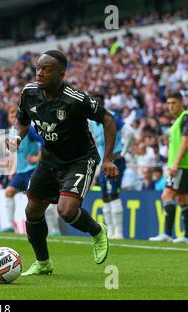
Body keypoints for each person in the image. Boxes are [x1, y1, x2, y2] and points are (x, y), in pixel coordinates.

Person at [8, 50, 118, 276]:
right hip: (49, 160)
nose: (39, 73)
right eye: (38, 68)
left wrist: (108, 158)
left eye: (46, 69)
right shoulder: (29, 93)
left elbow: (108, 119)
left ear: (61, 74)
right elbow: (22, 122)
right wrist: (17, 137)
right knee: (33, 211)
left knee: (66, 211)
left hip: (80, 159)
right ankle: (43, 263)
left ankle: (97, 231)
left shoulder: (76, 99)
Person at [0, 105, 60, 235]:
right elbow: (15, 153)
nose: (13, 118)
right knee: (8, 193)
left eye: (15, 116)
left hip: (32, 170)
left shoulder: (28, 129)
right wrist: (12, 169)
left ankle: (54, 230)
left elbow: (44, 141)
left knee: (40, 200)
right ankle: (9, 225)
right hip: (20, 172)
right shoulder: (12, 132)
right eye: (11, 116)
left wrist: (37, 157)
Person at [90, 92, 133, 239]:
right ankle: (110, 232)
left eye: (98, 102)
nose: (96, 105)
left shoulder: (112, 116)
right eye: (94, 102)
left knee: (113, 193)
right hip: (103, 164)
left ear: (103, 103)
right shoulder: (92, 122)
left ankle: (119, 233)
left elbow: (130, 132)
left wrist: (124, 152)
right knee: (105, 196)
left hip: (115, 161)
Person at [149, 91, 188, 243]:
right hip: (181, 166)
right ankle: (186, 236)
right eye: (169, 103)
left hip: (181, 166)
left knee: (166, 196)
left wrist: (176, 164)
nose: (170, 106)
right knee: (183, 199)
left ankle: (166, 233)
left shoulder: (185, 118)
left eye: (174, 103)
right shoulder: (178, 120)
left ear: (181, 102)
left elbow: (185, 142)